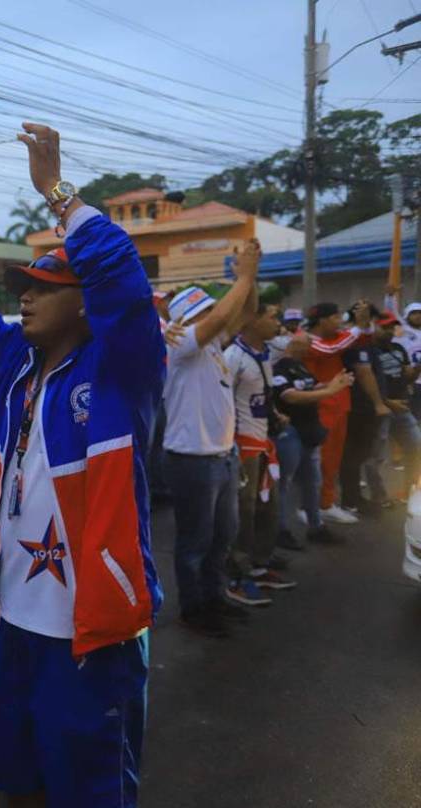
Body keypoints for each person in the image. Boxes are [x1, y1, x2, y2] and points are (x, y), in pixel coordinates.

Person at [0, 125, 162, 808]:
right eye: (22, 286)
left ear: (85, 300)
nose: (24, 296)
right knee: (18, 784)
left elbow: (120, 272)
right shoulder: (12, 363)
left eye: (44, 287)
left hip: (88, 638)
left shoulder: (124, 368)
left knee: (90, 799)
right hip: (7, 628)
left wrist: (55, 191)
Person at [163, 243, 260, 638]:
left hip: (221, 457)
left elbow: (246, 313)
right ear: (189, 318)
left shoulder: (215, 346)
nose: (216, 316)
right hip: (192, 460)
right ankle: (194, 609)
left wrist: (250, 278)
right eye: (205, 312)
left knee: (222, 537)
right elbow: (223, 314)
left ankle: (215, 597)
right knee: (195, 542)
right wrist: (244, 276)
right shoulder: (179, 343)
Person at [223, 303, 297, 606]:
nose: (277, 322)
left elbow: (259, 396)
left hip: (264, 442)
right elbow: (223, 402)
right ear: (251, 320)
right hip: (243, 447)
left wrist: (274, 413)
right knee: (244, 511)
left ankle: (259, 565)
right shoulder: (233, 357)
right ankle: (237, 575)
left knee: (270, 508)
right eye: (271, 317)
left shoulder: (265, 353)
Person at [272, 332, 351, 547]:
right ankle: (281, 530)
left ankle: (315, 527)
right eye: (306, 344)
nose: (309, 348)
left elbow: (311, 386)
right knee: (284, 483)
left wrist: (331, 383)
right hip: (289, 432)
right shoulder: (279, 368)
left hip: (309, 432)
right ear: (293, 344)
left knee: (312, 482)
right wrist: (330, 391)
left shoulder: (300, 366)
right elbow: (290, 396)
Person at [303, 302, 366, 523]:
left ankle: (326, 503)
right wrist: (358, 326)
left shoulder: (334, 338)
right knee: (321, 459)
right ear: (322, 320)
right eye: (335, 318)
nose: (340, 322)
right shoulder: (307, 340)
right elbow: (331, 349)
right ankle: (312, 506)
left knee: (333, 459)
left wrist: (363, 324)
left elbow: (364, 337)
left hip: (339, 405)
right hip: (320, 406)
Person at [337, 301, 387, 518]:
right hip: (360, 408)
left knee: (359, 454)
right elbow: (364, 372)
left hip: (366, 407)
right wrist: (378, 404)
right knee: (353, 455)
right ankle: (351, 500)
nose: (380, 328)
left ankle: (354, 497)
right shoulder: (356, 344)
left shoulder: (367, 342)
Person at [365, 311, 420, 505]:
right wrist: (387, 402)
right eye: (384, 327)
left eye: (391, 327)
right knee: (376, 456)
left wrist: (417, 368)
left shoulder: (398, 348)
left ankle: (409, 490)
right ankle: (379, 496)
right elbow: (366, 382)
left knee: (416, 447)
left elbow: (407, 377)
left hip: (402, 407)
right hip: (380, 410)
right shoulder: (367, 351)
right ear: (374, 326)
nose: (389, 331)